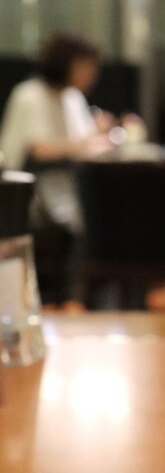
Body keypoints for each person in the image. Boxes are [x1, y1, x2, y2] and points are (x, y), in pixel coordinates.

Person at [0, 31, 113, 306]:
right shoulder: (30, 95)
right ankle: (70, 297)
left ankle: (84, 297)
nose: (91, 74)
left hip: (66, 186)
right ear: (66, 63)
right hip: (29, 193)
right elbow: (38, 149)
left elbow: (84, 143)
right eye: (85, 66)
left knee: (104, 209)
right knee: (83, 216)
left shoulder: (72, 98)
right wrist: (88, 140)